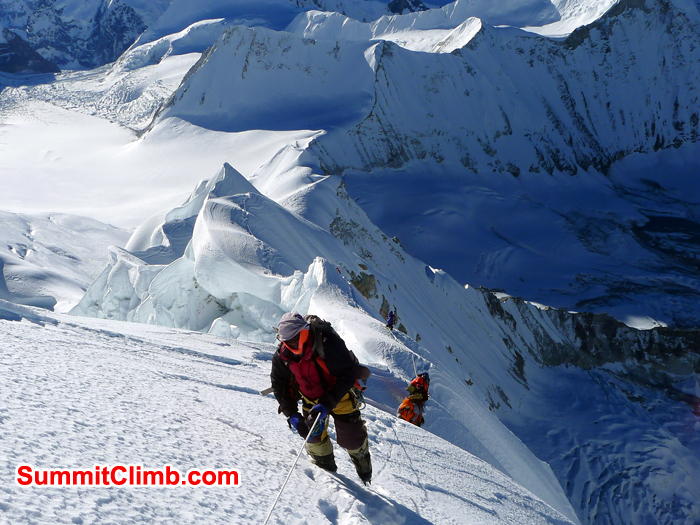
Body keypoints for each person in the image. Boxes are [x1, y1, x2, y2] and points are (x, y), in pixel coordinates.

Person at [270, 312, 373, 484]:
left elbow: (347, 375)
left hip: (340, 397)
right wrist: (291, 413)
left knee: (353, 439)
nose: (293, 344)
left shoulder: (328, 343)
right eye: (288, 341)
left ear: (305, 331)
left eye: (296, 338)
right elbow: (278, 383)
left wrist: (327, 404)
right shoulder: (282, 355)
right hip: (311, 400)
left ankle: (364, 472)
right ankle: (327, 475)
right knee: (313, 438)